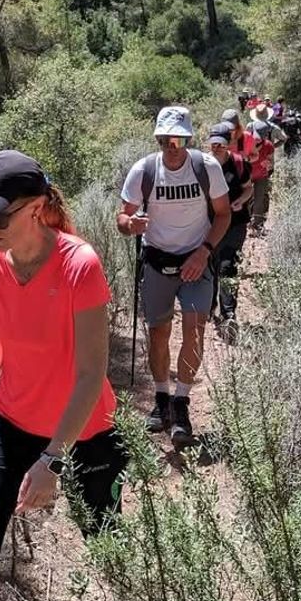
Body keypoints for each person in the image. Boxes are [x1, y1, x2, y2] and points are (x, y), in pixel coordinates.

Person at [0, 150, 127, 601]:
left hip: (86, 430)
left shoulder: (78, 264)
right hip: (10, 418)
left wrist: (53, 460)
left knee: (107, 543)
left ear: (36, 207)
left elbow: (91, 372)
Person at [116, 106, 231, 446]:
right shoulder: (144, 170)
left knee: (194, 328)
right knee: (158, 334)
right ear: (158, 138)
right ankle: (162, 397)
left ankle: (181, 402)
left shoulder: (206, 168)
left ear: (188, 138)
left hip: (197, 259)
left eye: (178, 139)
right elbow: (122, 217)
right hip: (157, 263)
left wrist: (204, 252)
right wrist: (129, 225)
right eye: (166, 139)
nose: (172, 146)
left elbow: (223, 215)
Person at [206, 123, 252, 339]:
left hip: (235, 224)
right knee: (211, 264)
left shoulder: (240, 164)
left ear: (229, 145)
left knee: (228, 265)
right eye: (213, 144)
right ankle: (209, 306)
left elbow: (248, 188)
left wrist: (241, 202)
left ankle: (228, 314)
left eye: (221, 145)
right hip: (209, 224)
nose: (216, 149)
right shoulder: (202, 165)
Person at [248, 120, 277, 237]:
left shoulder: (268, 145)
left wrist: (268, 165)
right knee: (247, 199)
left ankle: (258, 225)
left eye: (261, 137)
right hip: (247, 176)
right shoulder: (245, 142)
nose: (257, 139)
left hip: (261, 176)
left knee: (259, 199)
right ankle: (247, 221)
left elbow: (271, 161)